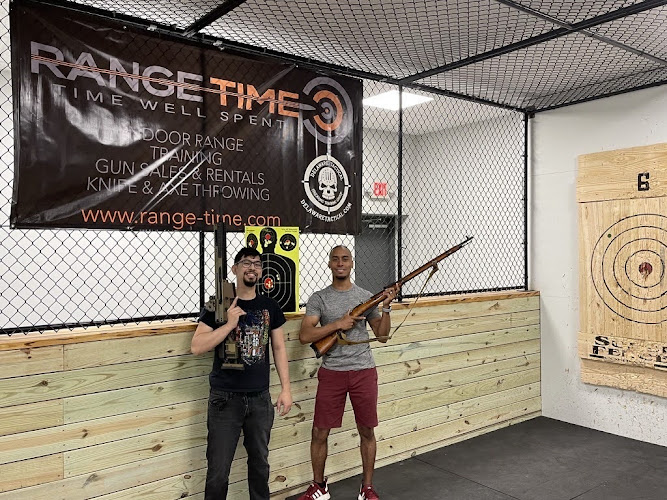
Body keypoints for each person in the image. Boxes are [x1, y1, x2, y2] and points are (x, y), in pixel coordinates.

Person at [297, 245, 399, 500]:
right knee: (319, 432)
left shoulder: (365, 297)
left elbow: (382, 336)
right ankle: (319, 486)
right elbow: (305, 335)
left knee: (367, 430)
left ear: (352, 263)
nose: (340, 263)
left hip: (363, 371)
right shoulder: (319, 298)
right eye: (336, 259)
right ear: (330, 264)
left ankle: (367, 488)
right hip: (332, 372)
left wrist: (386, 307)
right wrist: (338, 324)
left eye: (345, 259)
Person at [191, 247, 292, 500]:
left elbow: (279, 348)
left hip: (260, 399)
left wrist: (286, 389)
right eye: (246, 263)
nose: (252, 268)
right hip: (225, 399)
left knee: (260, 467)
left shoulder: (270, 306)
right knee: (218, 471)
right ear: (235, 269)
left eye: (257, 264)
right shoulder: (218, 305)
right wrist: (229, 324)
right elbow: (197, 346)